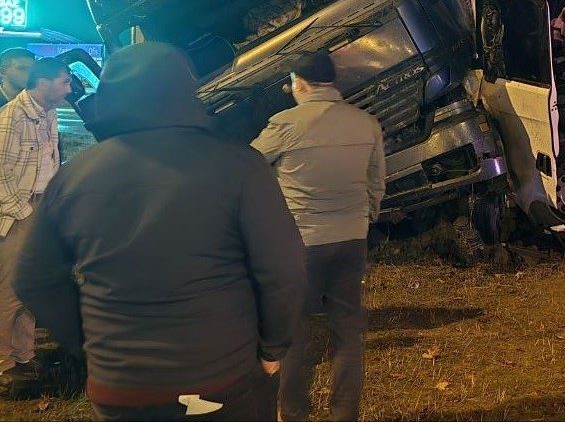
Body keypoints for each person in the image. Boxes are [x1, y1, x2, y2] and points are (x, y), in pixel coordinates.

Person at [13, 42, 306, 421]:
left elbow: (33, 278)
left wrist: (90, 343)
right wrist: (273, 347)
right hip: (219, 379)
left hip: (118, 388)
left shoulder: (73, 177)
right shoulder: (240, 167)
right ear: (186, 92)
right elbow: (283, 268)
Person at [251, 49, 385, 422]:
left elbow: (247, 166)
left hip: (301, 242)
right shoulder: (366, 123)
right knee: (348, 330)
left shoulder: (285, 125)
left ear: (300, 83)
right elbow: (376, 183)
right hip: (351, 239)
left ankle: (293, 413)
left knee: (294, 332)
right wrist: (365, 219)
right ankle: (344, 413)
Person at [0, 58, 71, 393]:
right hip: (20, 212)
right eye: (64, 82)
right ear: (43, 82)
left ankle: (24, 355)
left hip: (40, 208)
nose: (69, 89)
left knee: (31, 289)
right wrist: (24, 213)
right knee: (11, 291)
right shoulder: (12, 117)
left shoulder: (47, 112)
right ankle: (4, 363)